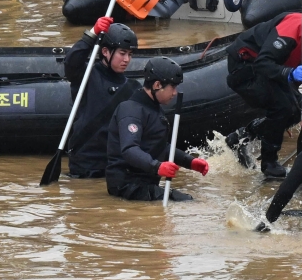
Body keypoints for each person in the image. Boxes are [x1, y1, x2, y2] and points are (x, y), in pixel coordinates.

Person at [225, 0, 302, 164]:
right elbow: (263, 62)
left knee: (297, 111)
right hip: (248, 65)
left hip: (276, 70)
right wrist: (289, 73)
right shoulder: (293, 29)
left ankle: (242, 137)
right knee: (283, 108)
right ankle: (269, 162)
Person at [106, 56, 209, 201]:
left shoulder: (153, 110)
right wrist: (157, 166)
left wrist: (189, 161)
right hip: (127, 186)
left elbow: (159, 147)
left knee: (188, 200)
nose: (175, 93)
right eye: (172, 87)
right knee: (187, 202)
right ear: (157, 85)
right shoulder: (131, 110)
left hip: (144, 184)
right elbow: (130, 149)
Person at [63, 16, 140, 178]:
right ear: (105, 51)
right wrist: (92, 34)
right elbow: (71, 62)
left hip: (114, 165)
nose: (127, 59)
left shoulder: (133, 88)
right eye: (122, 53)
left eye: (130, 54)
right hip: (85, 164)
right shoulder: (86, 76)